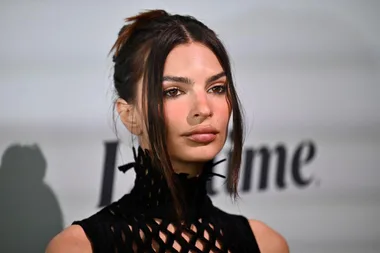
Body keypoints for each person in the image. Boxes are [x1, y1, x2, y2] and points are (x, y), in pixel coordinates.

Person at [46, 9, 289, 253]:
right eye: (172, 91)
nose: (203, 109)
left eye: (216, 88)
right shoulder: (77, 248)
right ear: (129, 115)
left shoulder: (266, 244)